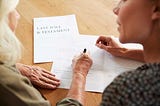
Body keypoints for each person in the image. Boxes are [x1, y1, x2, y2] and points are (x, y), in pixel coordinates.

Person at [56, 0, 160, 105]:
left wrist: (79, 73)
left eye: (125, 0)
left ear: (156, 10)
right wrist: (124, 51)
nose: (116, 10)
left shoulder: (127, 90)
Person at [0, 0, 60, 105]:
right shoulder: (6, 81)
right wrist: (79, 76)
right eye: (11, 10)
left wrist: (15, 67)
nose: (17, 15)